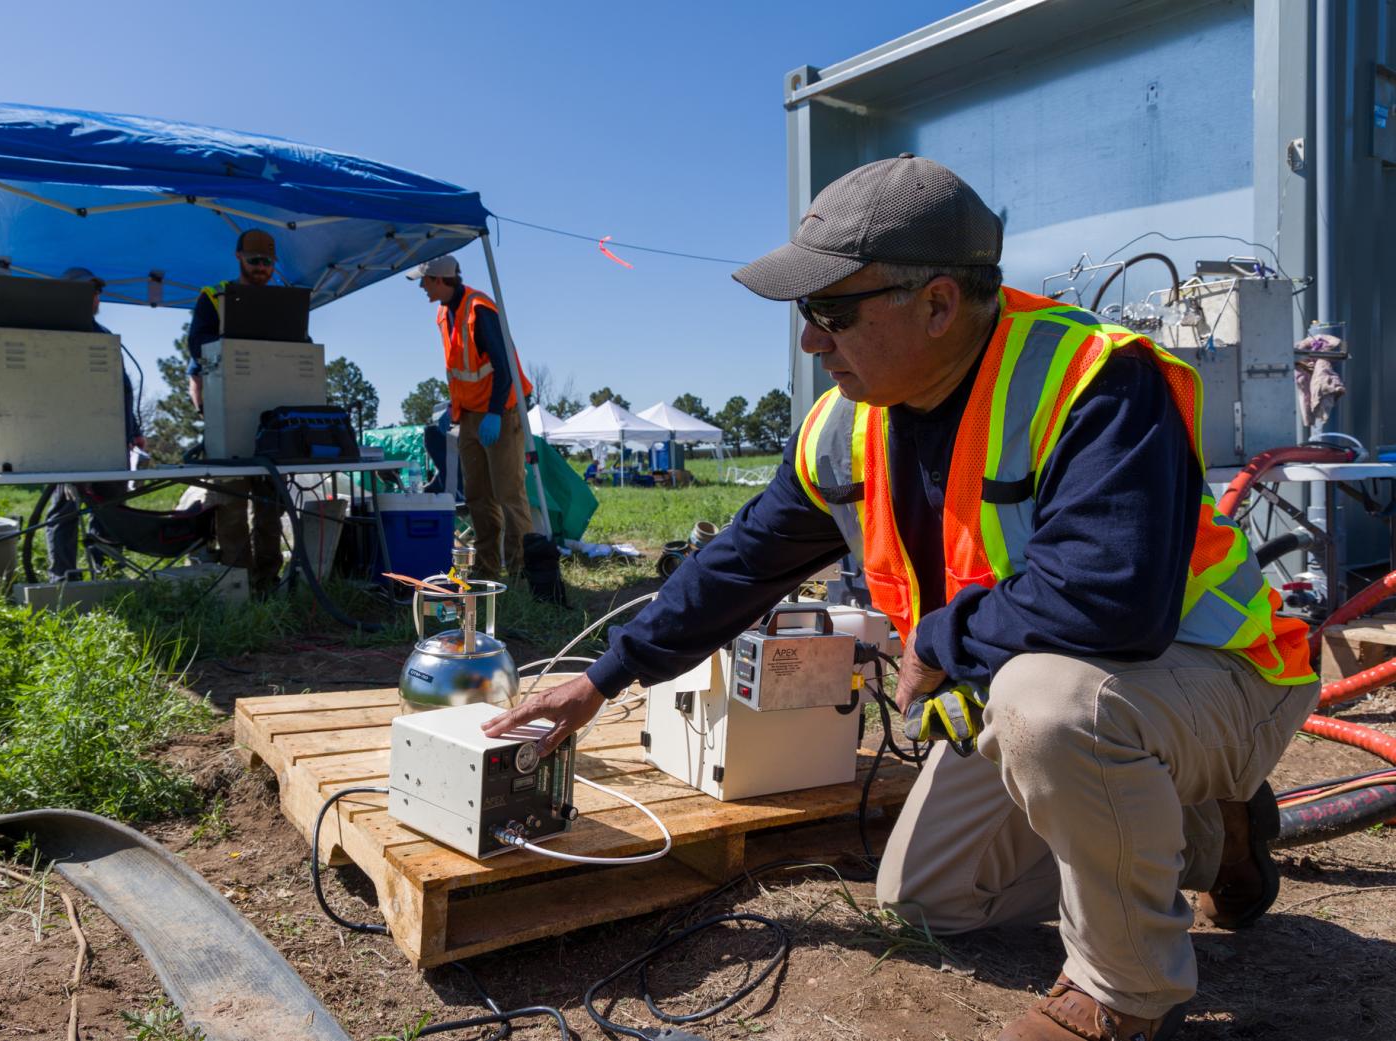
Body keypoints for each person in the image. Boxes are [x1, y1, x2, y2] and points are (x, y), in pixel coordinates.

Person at [485, 156, 1320, 1040]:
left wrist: (935, 643)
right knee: (926, 898)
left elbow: (1113, 600)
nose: (811, 341)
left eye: (830, 311)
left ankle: (1121, 991)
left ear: (937, 304)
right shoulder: (849, 422)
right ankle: (1208, 834)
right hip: (1079, 692)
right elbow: (736, 566)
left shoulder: (1096, 378)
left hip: (1223, 674)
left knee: (1046, 706)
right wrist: (602, 679)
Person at [405, 255, 534, 581]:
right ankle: (487, 568)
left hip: (500, 413)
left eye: (423, 281)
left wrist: (493, 413)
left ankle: (522, 572)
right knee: (478, 496)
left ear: (437, 279)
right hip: (470, 416)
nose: (421, 287)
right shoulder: (444, 314)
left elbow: (503, 367)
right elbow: (463, 371)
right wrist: (455, 406)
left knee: (509, 494)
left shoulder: (479, 309)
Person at [185, 228, 285, 596]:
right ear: (239, 258)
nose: (262, 269)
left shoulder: (281, 302)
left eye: (268, 263)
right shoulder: (213, 297)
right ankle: (236, 584)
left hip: (272, 419)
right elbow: (198, 344)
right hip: (227, 417)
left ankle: (267, 581)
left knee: (270, 505)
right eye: (255, 261)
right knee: (230, 504)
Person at [44, 267, 145, 581]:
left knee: (111, 508)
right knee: (66, 508)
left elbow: (121, 389)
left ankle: (110, 573)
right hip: (70, 441)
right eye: (89, 291)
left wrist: (135, 431)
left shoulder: (102, 335)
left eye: (97, 291)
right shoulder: (53, 334)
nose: (96, 297)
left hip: (112, 441)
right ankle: (63, 579)